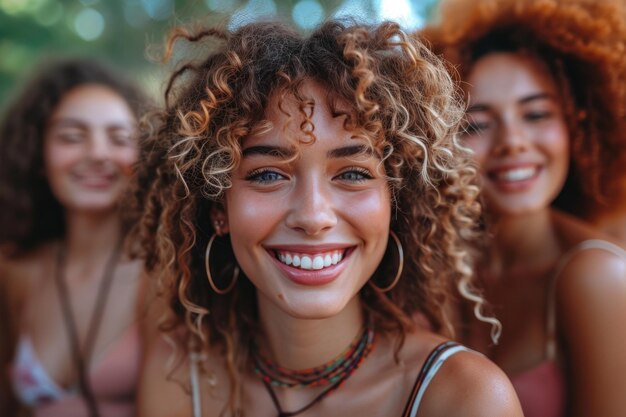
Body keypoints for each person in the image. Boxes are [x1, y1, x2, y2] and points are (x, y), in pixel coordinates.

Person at [132, 19, 523, 417]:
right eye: (268, 174)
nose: (313, 216)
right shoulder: (179, 375)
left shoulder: (465, 398)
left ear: (395, 203)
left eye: (353, 173)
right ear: (219, 208)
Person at [423, 1, 626, 416]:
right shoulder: (432, 265)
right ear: (439, 140)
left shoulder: (599, 278)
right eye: (476, 124)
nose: (512, 141)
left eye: (536, 113)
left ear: (579, 124)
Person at [0, 58, 147, 417]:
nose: (97, 154)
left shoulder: (165, 275)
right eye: (71, 136)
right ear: (38, 153)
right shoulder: (14, 269)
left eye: (119, 138)